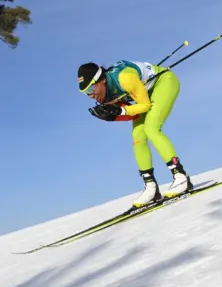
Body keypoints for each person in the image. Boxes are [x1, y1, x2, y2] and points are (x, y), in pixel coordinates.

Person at [77, 59, 193, 207]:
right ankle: (150, 187)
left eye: (91, 89)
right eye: (86, 93)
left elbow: (144, 106)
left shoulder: (124, 78)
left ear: (102, 80)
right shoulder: (104, 96)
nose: (91, 95)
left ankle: (181, 176)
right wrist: (113, 117)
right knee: (138, 135)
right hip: (146, 96)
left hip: (164, 83)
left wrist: (120, 110)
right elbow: (133, 114)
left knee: (151, 128)